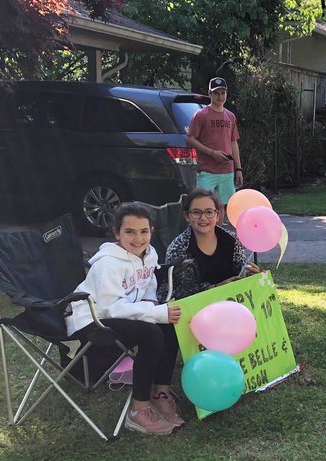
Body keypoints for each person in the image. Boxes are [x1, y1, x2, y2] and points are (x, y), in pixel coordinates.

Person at [65, 202, 184, 435]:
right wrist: (155, 314)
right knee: (151, 333)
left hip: (122, 313)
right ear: (117, 233)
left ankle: (160, 394)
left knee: (169, 326)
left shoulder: (149, 254)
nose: (138, 238)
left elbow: (148, 287)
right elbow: (110, 309)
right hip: (92, 320)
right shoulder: (108, 264)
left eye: (144, 231)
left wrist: (154, 306)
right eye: (129, 231)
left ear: (152, 231)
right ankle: (138, 411)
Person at [158, 188, 260, 301]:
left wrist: (249, 273)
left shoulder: (231, 239)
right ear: (187, 216)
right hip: (196, 307)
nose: (203, 218)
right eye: (196, 212)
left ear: (217, 216)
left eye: (209, 212)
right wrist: (216, 287)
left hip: (231, 303)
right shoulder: (179, 247)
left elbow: (239, 269)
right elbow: (178, 291)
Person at [186, 77, 243, 212]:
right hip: (207, 171)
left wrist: (239, 169)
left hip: (227, 171)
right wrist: (212, 153)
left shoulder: (230, 116)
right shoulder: (201, 115)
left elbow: (233, 142)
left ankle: (218, 232)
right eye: (216, 93)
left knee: (221, 207)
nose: (220, 96)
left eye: (223, 93)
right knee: (203, 207)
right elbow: (191, 139)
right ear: (210, 94)